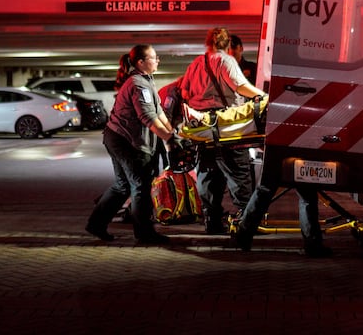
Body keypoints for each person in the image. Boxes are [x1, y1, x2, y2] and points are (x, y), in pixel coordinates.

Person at [85, 44, 178, 244]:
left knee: (123, 186)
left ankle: (96, 225)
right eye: (154, 57)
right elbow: (148, 117)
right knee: (141, 185)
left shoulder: (146, 81)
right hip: (124, 141)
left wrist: (171, 133)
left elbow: (159, 112)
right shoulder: (138, 84)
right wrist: (168, 138)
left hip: (116, 137)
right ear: (141, 62)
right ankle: (144, 233)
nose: (158, 60)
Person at [180, 27, 266, 234]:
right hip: (226, 128)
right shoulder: (226, 60)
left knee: (208, 176)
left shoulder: (196, 63)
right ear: (227, 45)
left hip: (202, 129)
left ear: (207, 43)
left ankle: (212, 221)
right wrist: (262, 96)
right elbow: (239, 85)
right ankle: (246, 223)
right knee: (238, 174)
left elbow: (184, 92)